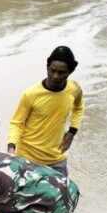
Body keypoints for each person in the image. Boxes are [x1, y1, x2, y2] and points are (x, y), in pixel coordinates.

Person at [7, 46, 85, 176]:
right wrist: (11, 147)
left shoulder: (74, 89)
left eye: (61, 73)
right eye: (52, 70)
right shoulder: (31, 94)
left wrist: (72, 131)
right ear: (47, 68)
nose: (55, 76)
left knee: (63, 195)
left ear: (70, 72)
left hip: (56, 160)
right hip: (27, 159)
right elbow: (17, 123)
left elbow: (79, 106)